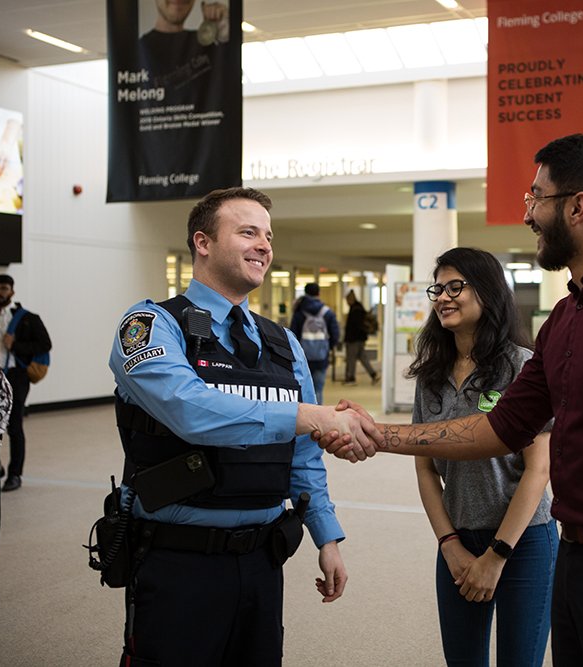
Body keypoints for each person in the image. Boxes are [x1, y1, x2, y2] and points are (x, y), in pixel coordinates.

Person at [323, 134, 583, 667]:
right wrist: (379, 434)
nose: (527, 214)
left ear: (577, 206)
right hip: (575, 557)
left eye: (534, 197)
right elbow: (496, 428)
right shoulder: (565, 320)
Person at [108, 186, 382, 665]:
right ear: (203, 242)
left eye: (269, 236)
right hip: (179, 564)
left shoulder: (283, 343)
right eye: (248, 232)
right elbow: (188, 409)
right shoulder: (152, 325)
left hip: (261, 561)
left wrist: (327, 535)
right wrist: (306, 415)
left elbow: (304, 453)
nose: (264, 246)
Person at [411, 247, 557, 666]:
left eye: (456, 286)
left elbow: (538, 469)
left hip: (524, 541)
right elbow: (424, 466)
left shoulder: (521, 366)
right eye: (438, 288)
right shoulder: (431, 375)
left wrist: (497, 555)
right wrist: (450, 545)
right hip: (458, 538)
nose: (443, 297)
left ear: (489, 293)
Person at [0, 274, 52, 492]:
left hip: (16, 377)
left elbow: (45, 344)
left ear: (12, 291)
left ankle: (15, 474)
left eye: (4, 288)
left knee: (14, 425)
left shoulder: (28, 318)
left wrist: (16, 345)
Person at [290, 282, 340, 404]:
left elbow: (292, 335)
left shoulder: (299, 311)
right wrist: (327, 347)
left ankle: (305, 418)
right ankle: (318, 419)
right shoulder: (327, 312)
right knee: (318, 389)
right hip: (321, 357)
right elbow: (336, 335)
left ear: (305, 293)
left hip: (302, 357)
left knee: (302, 389)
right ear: (318, 293)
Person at [343, 289, 379, 385]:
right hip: (360, 339)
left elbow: (355, 326)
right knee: (362, 357)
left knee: (351, 358)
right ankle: (373, 374)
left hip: (354, 339)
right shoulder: (359, 308)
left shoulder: (355, 310)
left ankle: (351, 378)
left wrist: (348, 338)